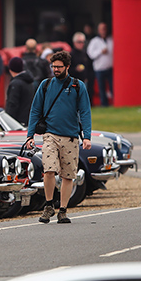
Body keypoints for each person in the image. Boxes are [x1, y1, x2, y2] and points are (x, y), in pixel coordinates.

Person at [27, 50, 92, 224]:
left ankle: (62, 210)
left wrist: (87, 136)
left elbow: (85, 111)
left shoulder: (78, 86)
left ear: (67, 67)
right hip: (50, 135)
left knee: (68, 176)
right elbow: (35, 110)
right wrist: (30, 135)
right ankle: (49, 205)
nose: (55, 69)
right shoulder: (45, 84)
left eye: (59, 67)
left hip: (71, 137)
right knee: (48, 170)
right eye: (53, 66)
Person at [86, 22, 113, 106]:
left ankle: (115, 103)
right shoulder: (94, 41)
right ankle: (104, 104)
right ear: (98, 30)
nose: (104, 31)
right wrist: (100, 52)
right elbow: (91, 54)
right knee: (101, 88)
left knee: (113, 87)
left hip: (110, 67)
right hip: (99, 68)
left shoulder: (111, 39)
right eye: (102, 29)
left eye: (105, 29)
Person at [5, 57, 35, 126]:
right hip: (27, 118)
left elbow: (12, 104)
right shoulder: (29, 81)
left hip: (17, 121)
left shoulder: (15, 84)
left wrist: (8, 120)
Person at [69, 31, 95, 106]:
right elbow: (68, 70)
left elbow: (90, 66)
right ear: (74, 42)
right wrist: (75, 69)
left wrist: (88, 77)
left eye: (83, 42)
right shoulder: (71, 55)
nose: (82, 44)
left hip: (86, 81)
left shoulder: (85, 53)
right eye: (79, 42)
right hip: (75, 82)